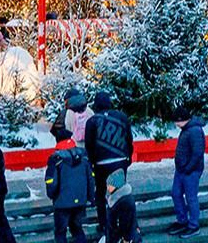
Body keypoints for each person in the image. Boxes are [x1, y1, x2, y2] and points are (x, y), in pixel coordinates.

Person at [84, 91, 133, 239]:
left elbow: (89, 145)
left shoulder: (92, 121)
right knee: (118, 194)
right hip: (119, 162)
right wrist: (127, 158)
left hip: (101, 165)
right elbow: (129, 139)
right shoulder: (122, 117)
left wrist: (92, 163)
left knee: (100, 194)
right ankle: (121, 223)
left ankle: (104, 224)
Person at [44, 127, 93, 243]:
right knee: (77, 229)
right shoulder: (83, 155)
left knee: (60, 232)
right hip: (80, 200)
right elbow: (90, 178)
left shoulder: (55, 159)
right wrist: (90, 196)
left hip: (62, 202)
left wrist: (52, 195)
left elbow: (51, 181)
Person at [169, 107, 206, 237]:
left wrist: (188, 168)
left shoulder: (194, 130)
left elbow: (198, 152)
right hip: (182, 169)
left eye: (176, 121)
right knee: (176, 193)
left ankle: (194, 225)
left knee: (191, 198)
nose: (175, 124)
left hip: (191, 171)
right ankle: (182, 220)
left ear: (182, 120)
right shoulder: (186, 129)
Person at [105, 169, 141, 243]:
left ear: (116, 185)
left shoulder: (124, 203)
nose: (107, 188)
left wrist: (126, 239)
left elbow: (126, 223)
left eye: (109, 185)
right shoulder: (118, 198)